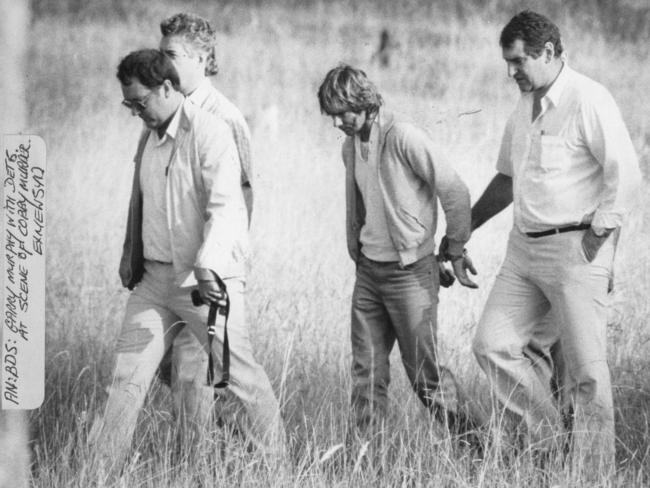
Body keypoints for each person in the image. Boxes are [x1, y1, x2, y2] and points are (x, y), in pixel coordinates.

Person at [89, 49, 284, 473]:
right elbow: (141, 203)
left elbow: (227, 207)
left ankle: (280, 472)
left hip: (205, 285)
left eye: (141, 103)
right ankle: (97, 475)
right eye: (130, 106)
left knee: (239, 379)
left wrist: (208, 264)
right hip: (154, 286)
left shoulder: (212, 133)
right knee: (125, 380)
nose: (137, 114)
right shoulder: (149, 134)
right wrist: (131, 256)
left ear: (167, 87)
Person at [465, 10, 640, 476]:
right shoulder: (524, 105)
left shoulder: (589, 99)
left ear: (548, 52)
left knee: (587, 373)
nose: (511, 72)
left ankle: (589, 475)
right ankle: (549, 448)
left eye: (518, 61)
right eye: (507, 63)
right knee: (491, 345)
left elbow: (626, 177)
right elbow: (506, 179)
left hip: (575, 250)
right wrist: (465, 228)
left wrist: (598, 237)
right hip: (523, 251)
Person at [317, 64, 481, 443]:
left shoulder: (403, 135)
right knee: (366, 375)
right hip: (369, 275)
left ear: (364, 101)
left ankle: (479, 445)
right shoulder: (349, 147)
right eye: (334, 115)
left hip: (410, 274)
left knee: (427, 379)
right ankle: (366, 463)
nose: (340, 122)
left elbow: (455, 191)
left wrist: (454, 247)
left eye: (345, 112)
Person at [155, 13, 254, 421]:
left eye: (172, 55)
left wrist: (218, 267)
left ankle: (215, 470)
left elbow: (243, 197)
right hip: (168, 268)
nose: (162, 64)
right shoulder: (162, 110)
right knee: (173, 369)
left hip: (208, 273)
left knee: (202, 374)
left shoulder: (224, 116)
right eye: (160, 54)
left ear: (201, 57)